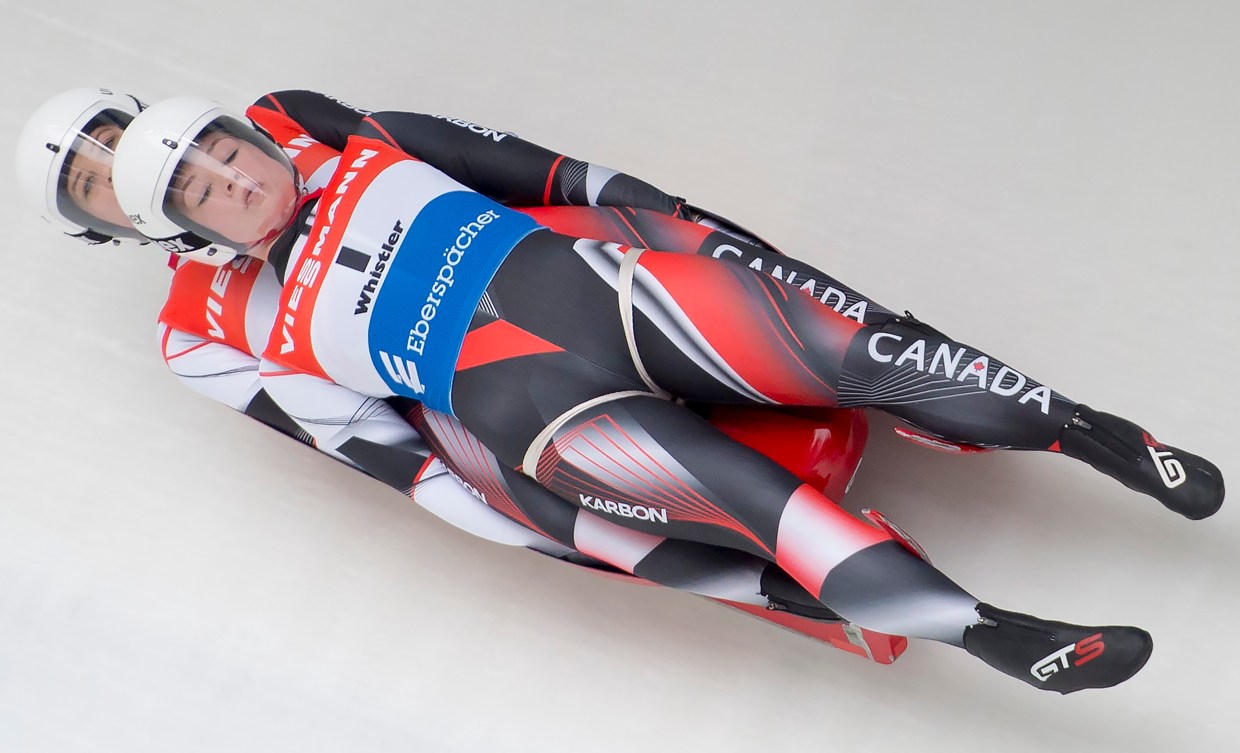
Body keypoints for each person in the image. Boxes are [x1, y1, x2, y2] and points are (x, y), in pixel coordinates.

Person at [109, 93, 1223, 693]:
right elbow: (367, 444)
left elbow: (547, 175)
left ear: (250, 131)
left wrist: (686, 224)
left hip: (621, 295)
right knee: (764, 510)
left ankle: (1099, 437)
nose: (241, 182)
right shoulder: (243, 324)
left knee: (858, 350)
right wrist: (508, 524)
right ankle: (1000, 637)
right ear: (197, 236)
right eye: (210, 195)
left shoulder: (358, 137)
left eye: (230, 153)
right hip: (543, 419)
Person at [17, 88, 896, 657]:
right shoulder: (186, 334)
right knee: (508, 507)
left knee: (641, 228)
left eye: (110, 145)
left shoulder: (275, 121)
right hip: (450, 385)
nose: (115, 172)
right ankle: (805, 593)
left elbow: (458, 169)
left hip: (515, 267)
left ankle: (891, 358)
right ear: (104, 227)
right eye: (93, 188)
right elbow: (347, 435)